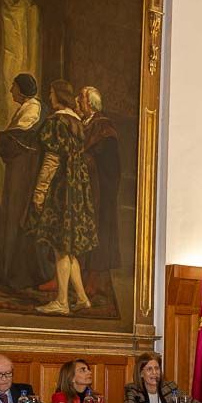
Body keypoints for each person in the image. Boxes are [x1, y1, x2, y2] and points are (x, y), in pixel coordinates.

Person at [27, 80, 97, 315]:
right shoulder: (77, 121)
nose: (49, 97)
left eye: (51, 93)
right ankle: (82, 298)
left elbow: (51, 160)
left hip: (61, 189)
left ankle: (62, 302)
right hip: (77, 187)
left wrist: (39, 191)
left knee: (60, 248)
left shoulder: (56, 122)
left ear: (58, 95)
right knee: (70, 249)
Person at [0, 73, 45, 287]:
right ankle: (5, 269)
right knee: (9, 211)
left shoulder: (33, 108)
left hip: (24, 170)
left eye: (13, 87)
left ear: (22, 89)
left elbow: (22, 137)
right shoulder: (26, 107)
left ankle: (15, 273)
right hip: (18, 167)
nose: (11, 91)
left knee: (16, 213)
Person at [79, 85, 120, 299]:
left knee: (99, 231)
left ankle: (94, 278)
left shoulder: (103, 126)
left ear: (90, 103)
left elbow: (108, 163)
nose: (78, 102)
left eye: (81, 99)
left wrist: (87, 161)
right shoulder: (86, 123)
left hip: (100, 190)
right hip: (86, 186)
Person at [123, 351, 202, 403]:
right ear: (141, 374)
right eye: (149, 369)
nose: (155, 373)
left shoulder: (170, 387)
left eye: (157, 368)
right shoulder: (133, 389)